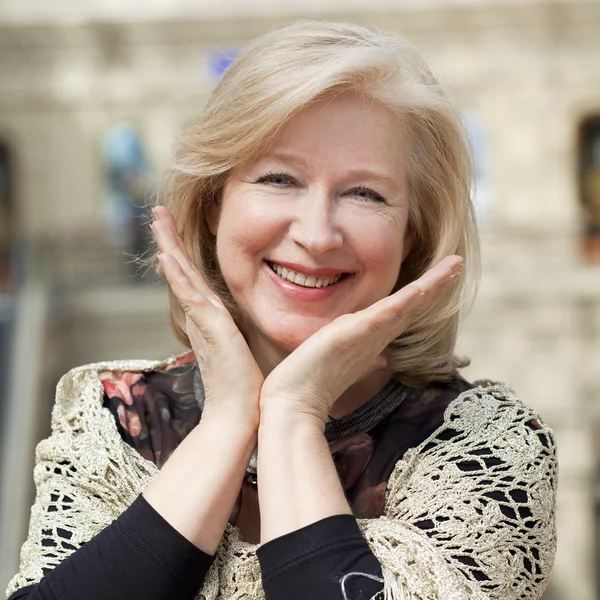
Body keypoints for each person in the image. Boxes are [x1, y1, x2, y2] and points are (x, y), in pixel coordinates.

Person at [5, 20, 557, 600]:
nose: (317, 235)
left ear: (412, 236)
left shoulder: (486, 446)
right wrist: (227, 422)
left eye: (364, 193)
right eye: (279, 178)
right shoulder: (116, 421)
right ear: (214, 204)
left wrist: (294, 414)